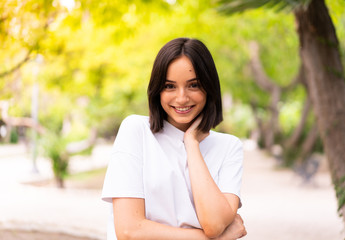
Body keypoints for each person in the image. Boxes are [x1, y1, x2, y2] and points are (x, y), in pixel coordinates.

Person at [101, 38, 247, 240]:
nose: (181, 98)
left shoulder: (229, 147)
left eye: (193, 85)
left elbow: (213, 224)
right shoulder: (136, 130)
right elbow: (130, 231)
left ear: (209, 88)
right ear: (157, 90)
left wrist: (191, 143)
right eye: (170, 86)